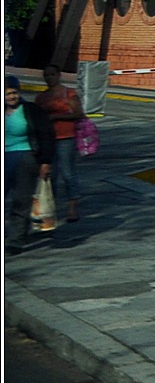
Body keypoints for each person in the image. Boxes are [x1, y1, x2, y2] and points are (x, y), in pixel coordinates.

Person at [5, 75, 55, 253]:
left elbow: (47, 135)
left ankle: (15, 240)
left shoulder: (32, 110)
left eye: (14, 93)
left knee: (21, 200)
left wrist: (45, 161)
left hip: (25, 158)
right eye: (7, 94)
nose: (11, 97)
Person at [33, 64, 84, 224]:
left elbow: (78, 114)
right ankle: (50, 209)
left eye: (52, 75)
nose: (49, 78)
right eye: (46, 75)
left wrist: (57, 118)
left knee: (68, 173)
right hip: (47, 140)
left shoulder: (68, 93)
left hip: (66, 137)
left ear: (59, 75)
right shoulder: (41, 97)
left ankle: (72, 208)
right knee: (49, 176)